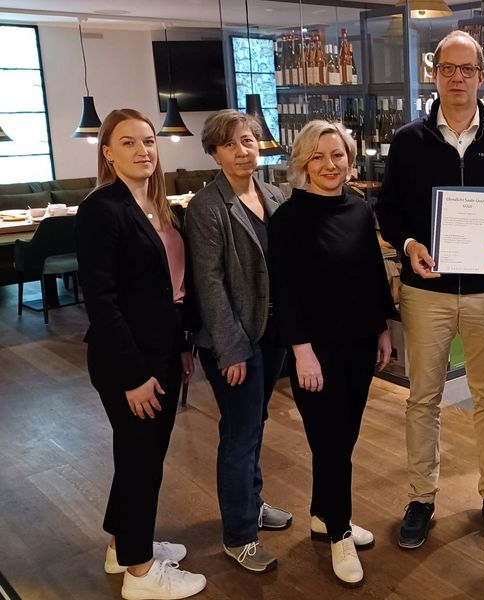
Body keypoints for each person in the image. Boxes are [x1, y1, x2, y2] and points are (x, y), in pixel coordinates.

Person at [375, 30, 484, 549]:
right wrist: (408, 245)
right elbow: (387, 209)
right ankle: (421, 498)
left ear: (482, 76)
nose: (458, 78)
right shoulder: (408, 140)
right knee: (423, 398)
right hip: (426, 292)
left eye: (468, 69)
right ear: (435, 73)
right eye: (449, 68)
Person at [76, 109, 206, 600]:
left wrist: (182, 348)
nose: (142, 150)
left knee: (141, 456)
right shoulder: (102, 209)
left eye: (148, 141)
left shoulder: (160, 205)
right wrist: (133, 375)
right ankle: (141, 573)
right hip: (128, 359)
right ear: (108, 152)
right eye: (128, 142)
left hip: (163, 350)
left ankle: (123, 546)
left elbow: (174, 289)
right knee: (140, 461)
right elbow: (101, 301)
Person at [269, 120, 394, 587]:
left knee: (344, 437)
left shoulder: (359, 208)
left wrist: (383, 328)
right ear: (303, 162)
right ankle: (340, 534)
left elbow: (372, 274)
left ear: (349, 159)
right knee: (331, 443)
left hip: (359, 343)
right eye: (318, 157)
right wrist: (301, 351)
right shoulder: (288, 219)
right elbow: (285, 292)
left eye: (337, 155)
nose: (329, 164)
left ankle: (324, 515)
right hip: (315, 351)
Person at [184, 109, 292, 574]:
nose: (242, 151)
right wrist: (231, 350)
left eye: (247, 141)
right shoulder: (207, 207)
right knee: (240, 434)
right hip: (233, 341)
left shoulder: (273, 193)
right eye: (230, 144)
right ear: (214, 153)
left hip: (272, 333)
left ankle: (253, 502)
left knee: (255, 423)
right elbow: (209, 285)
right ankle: (240, 535)